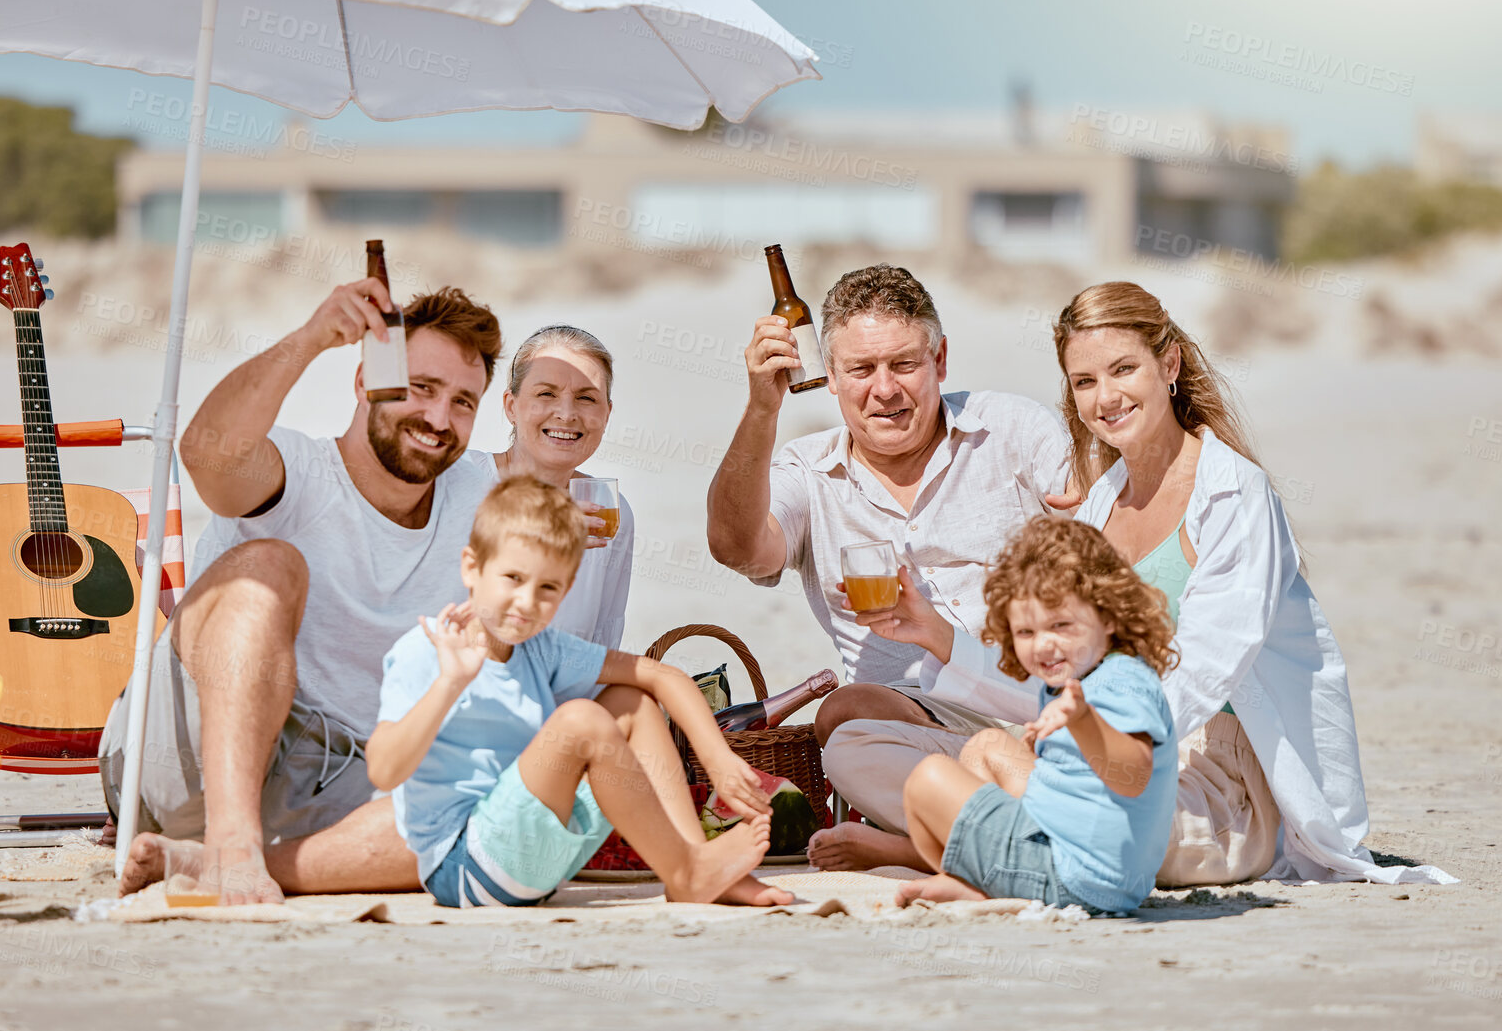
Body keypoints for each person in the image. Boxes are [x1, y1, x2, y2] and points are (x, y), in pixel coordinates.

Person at [100, 279, 504, 904]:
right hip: (187, 755)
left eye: (463, 402)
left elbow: (555, 432)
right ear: (366, 382)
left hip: (338, 787)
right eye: (421, 389)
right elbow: (206, 454)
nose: (438, 419)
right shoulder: (297, 472)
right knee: (268, 564)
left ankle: (219, 862)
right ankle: (232, 843)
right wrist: (312, 338)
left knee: (487, 819)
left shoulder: (478, 496)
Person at [1051, 281, 1451, 885]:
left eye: (1123, 369)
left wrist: (1118, 741)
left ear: (1169, 365)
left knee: (1084, 829)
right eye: (1084, 381)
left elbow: (1213, 654)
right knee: (975, 765)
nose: (1105, 397)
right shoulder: (1098, 507)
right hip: (1119, 740)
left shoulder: (1233, 491)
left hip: (1232, 765)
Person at [705, 263, 1069, 873]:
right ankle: (1022, 820)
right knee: (845, 720)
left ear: (940, 360)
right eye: (860, 369)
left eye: (903, 365)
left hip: (1037, 696)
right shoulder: (806, 469)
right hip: (921, 724)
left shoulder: (1013, 430)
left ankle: (928, 843)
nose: (885, 389)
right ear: (830, 377)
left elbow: (1101, 543)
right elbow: (737, 547)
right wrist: (760, 410)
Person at [369, 475, 792, 907]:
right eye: (512, 577)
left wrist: (719, 761)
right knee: (581, 719)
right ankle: (688, 869)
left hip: (536, 855)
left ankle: (696, 866)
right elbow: (383, 772)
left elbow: (662, 676)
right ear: (471, 568)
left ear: (565, 591)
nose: (527, 602)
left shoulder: (541, 647)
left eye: (547, 588)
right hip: (464, 867)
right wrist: (450, 682)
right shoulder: (426, 650)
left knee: (632, 703)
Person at [893, 517, 1179, 913]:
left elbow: (1133, 777)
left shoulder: (1122, 681)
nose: (1044, 645)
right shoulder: (1084, 675)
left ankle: (985, 884)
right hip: (1090, 862)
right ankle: (976, 879)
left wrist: (1083, 723)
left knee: (928, 778)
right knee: (987, 745)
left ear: (1110, 616)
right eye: (1025, 632)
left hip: (1079, 876)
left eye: (1061, 625)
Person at [467, 324, 633, 647]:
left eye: (587, 398)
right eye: (546, 394)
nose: (567, 414)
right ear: (511, 406)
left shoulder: (610, 511)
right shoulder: (465, 479)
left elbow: (601, 646)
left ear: (607, 414)